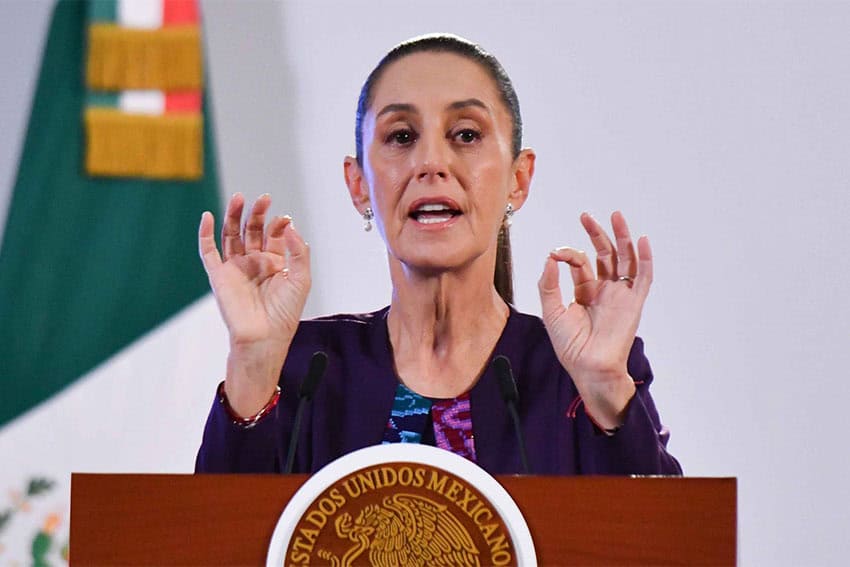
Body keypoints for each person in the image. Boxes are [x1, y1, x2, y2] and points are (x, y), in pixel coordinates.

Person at [195, 34, 682, 476]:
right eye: (401, 137)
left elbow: (669, 543)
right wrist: (254, 364)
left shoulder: (572, 368)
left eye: (466, 135)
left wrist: (604, 387)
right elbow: (210, 541)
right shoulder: (303, 369)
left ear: (519, 177)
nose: (431, 163)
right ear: (359, 184)